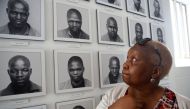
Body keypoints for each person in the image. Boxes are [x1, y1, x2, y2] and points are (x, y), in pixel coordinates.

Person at [96, 38, 190, 109]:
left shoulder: (183, 104)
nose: (124, 65)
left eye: (134, 60)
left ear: (155, 72)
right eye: (127, 58)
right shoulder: (113, 95)